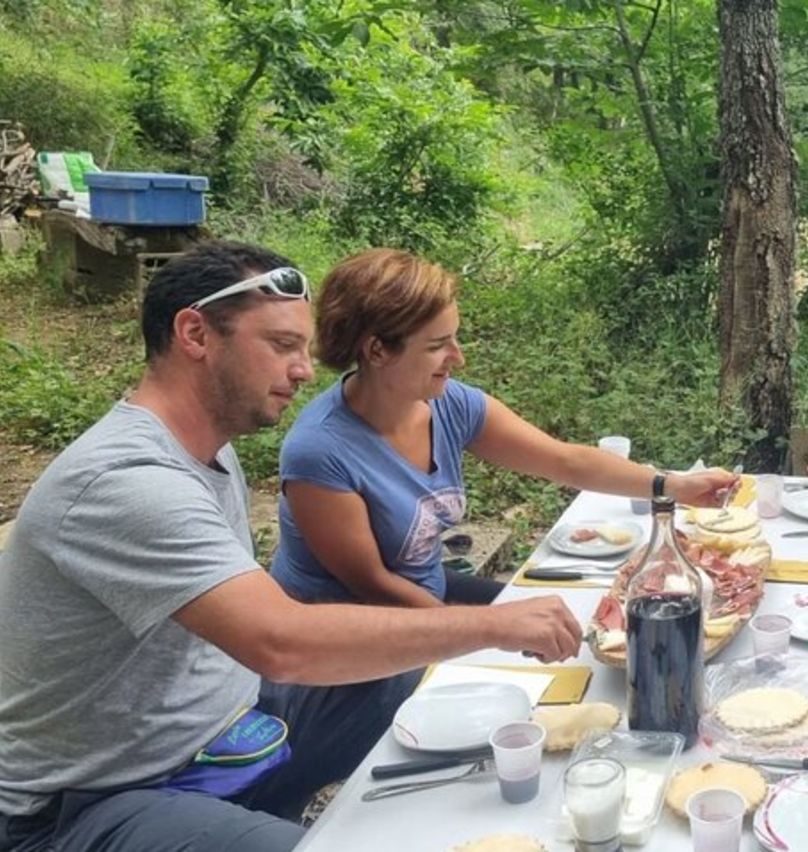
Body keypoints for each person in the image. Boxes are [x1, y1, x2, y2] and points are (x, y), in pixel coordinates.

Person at [0, 241, 583, 852]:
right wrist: (492, 626)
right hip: (98, 799)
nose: (305, 370)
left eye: (304, 348)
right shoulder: (128, 482)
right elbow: (280, 643)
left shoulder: (209, 454)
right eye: (281, 345)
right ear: (196, 334)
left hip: (227, 728)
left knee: (409, 682)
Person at [270, 248, 735, 608]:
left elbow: (563, 459)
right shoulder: (320, 452)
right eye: (438, 346)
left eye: (456, 338)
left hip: (428, 599)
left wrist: (672, 485)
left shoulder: (450, 404)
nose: (459, 357)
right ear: (376, 351)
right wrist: (489, 629)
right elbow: (373, 587)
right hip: (353, 647)